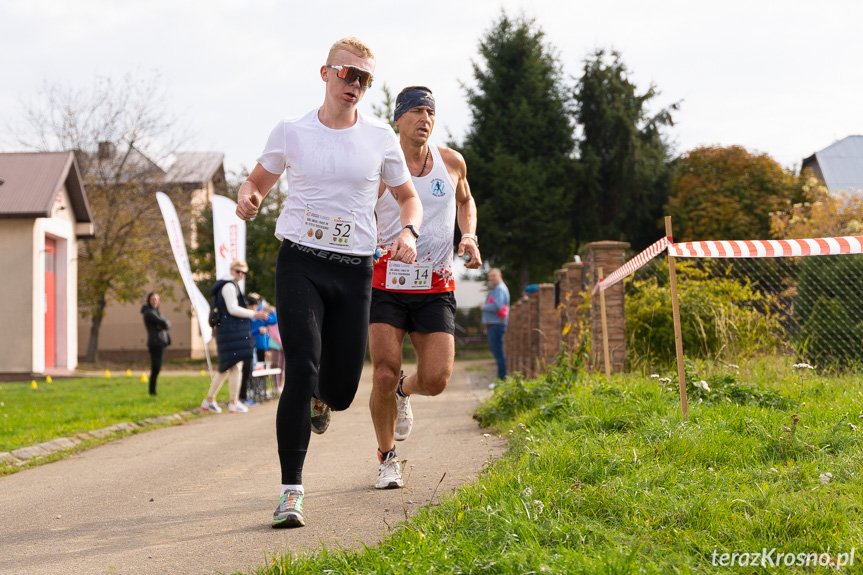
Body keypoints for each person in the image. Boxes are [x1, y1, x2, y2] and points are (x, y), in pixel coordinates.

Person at [235, 37, 423, 529]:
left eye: (364, 78)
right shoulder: (291, 131)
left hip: (354, 269)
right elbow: (255, 182)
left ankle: (324, 400)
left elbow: (409, 198)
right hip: (300, 261)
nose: (355, 85)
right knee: (301, 367)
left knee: (340, 389)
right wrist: (248, 197)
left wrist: (408, 230)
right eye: (347, 74)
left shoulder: (381, 137)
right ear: (325, 73)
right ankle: (291, 491)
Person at [368, 86, 481, 490]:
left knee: (435, 379)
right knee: (382, 372)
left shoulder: (451, 162)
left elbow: (466, 201)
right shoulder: (381, 165)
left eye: (430, 112)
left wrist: (469, 236)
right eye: (416, 111)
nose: (425, 119)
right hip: (386, 285)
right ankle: (387, 459)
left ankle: (405, 390)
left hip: (435, 286)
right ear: (398, 119)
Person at [201, 260, 269, 414]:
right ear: (232, 270)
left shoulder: (227, 285)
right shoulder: (229, 286)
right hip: (230, 331)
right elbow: (232, 309)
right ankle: (231, 402)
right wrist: (254, 314)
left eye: (244, 273)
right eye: (238, 271)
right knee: (232, 366)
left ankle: (212, 400)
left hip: (228, 331)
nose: (241, 275)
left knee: (228, 367)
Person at [482, 268, 510, 380]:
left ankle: (502, 378)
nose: (491, 278)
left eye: (493, 276)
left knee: (498, 352)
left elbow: (497, 306)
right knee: (497, 352)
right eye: (490, 276)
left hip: (496, 324)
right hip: (493, 324)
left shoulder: (500, 289)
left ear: (500, 276)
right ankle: (501, 377)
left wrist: (483, 307)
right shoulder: (495, 289)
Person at [141, 292, 170, 396]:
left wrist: (164, 324)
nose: (155, 301)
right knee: (155, 368)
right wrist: (163, 324)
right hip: (156, 342)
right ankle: (152, 392)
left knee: (157, 368)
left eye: (157, 299)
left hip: (161, 342)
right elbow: (164, 323)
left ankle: (153, 392)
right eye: (153, 299)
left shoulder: (156, 312)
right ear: (149, 300)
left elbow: (167, 324)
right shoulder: (149, 313)